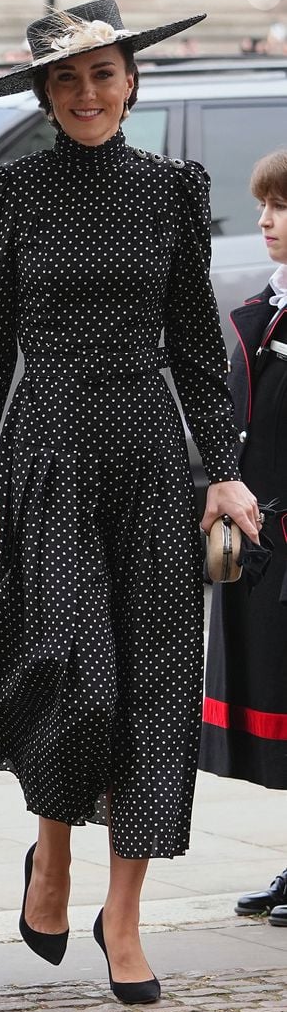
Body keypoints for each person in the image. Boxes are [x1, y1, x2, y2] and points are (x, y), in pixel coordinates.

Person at [0, 0, 261, 1006]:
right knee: (71, 676)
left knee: (155, 694)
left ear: (132, 82)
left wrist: (221, 464)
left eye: (105, 74)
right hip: (46, 456)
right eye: (68, 80)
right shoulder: (13, 193)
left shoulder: (171, 191)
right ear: (44, 93)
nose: (88, 93)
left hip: (150, 459)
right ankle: (51, 856)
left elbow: (198, 353)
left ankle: (122, 917)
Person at [199, 150, 287, 925]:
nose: (265, 220)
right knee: (275, 698)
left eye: (282, 207)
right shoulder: (264, 307)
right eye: (263, 205)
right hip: (260, 545)